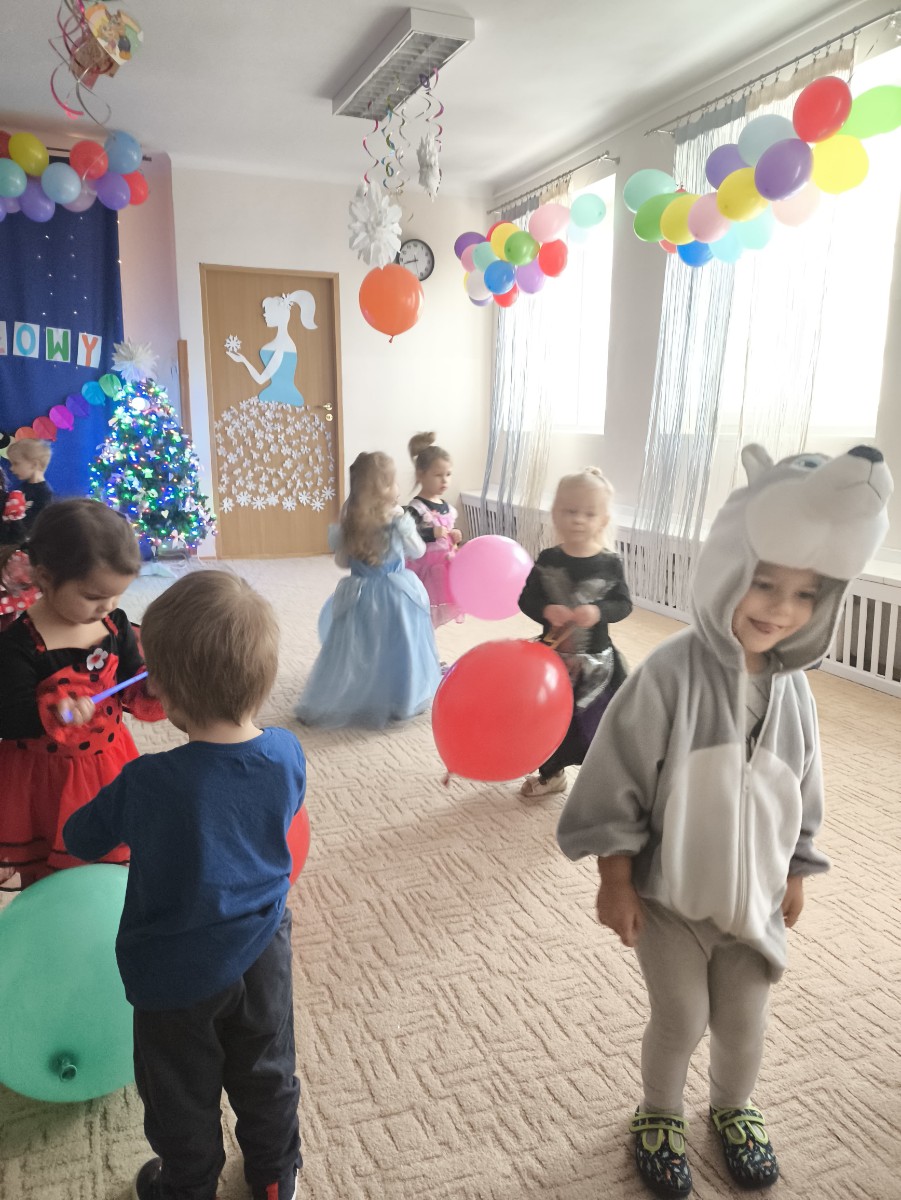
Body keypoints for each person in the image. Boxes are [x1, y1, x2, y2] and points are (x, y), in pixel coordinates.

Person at [556, 445, 893, 1198]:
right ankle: (658, 1112)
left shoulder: (794, 690)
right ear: (727, 566)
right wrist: (616, 877)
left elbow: (803, 785)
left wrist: (797, 866)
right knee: (680, 1018)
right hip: (671, 898)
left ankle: (733, 1107)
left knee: (744, 1023)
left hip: (754, 904)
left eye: (804, 594)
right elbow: (616, 775)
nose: (779, 607)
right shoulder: (669, 674)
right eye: (763, 582)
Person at [64, 570, 304, 1200]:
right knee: (267, 1068)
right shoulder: (287, 752)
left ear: (165, 695)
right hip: (264, 950)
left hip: (175, 970)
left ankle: (189, 1186)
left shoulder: (148, 781)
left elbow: (80, 837)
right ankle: (275, 1176)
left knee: (179, 1090)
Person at [0, 499, 164, 888]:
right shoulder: (18, 643)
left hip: (108, 762)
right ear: (45, 577)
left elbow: (131, 680)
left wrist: (150, 684)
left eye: (117, 595)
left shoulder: (115, 624)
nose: (107, 606)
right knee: (49, 870)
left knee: (109, 857)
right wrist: (56, 713)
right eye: (93, 596)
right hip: (44, 779)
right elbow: (8, 717)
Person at [295, 451, 441, 727]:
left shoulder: (349, 523)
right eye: (394, 482)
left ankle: (354, 692)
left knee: (359, 646)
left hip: (360, 594)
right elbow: (418, 551)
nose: (398, 488)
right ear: (383, 488)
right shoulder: (398, 520)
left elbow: (341, 562)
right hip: (395, 594)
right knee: (400, 644)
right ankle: (403, 699)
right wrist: (407, 528)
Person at [517, 467, 631, 799]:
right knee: (549, 723)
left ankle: (604, 782)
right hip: (553, 663)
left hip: (598, 666)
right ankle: (551, 774)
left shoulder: (609, 563)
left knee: (598, 725)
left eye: (589, 514)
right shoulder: (548, 559)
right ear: (555, 514)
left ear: (603, 520)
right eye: (570, 511)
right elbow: (527, 598)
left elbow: (623, 604)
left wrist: (599, 612)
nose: (579, 520)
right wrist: (545, 610)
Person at [404, 432, 464, 628]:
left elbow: (448, 535)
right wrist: (431, 533)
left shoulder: (447, 507)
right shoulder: (416, 507)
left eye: (448, 474)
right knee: (422, 609)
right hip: (423, 569)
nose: (444, 480)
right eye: (438, 475)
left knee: (437, 610)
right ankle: (420, 636)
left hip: (443, 567)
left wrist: (454, 535)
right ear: (421, 475)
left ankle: (428, 636)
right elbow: (408, 536)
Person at [226, 290, 317, 407]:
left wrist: (243, 360)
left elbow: (260, 380)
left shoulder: (282, 346)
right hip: (272, 394)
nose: (264, 315)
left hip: (281, 396)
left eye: (268, 312)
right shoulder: (284, 344)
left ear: (280, 315)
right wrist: (243, 360)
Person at [1, 437, 54, 543]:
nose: (11, 468)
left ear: (34, 465)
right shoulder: (23, 486)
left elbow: (35, 524)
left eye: (16, 463)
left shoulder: (44, 494)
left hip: (25, 543)